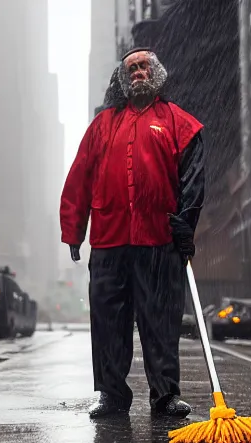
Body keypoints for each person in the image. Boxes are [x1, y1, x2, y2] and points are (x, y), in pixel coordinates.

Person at [60, 47, 205, 419]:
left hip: (159, 241)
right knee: (108, 321)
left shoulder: (178, 122)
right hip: (109, 242)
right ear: (123, 79)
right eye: (132, 69)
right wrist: (73, 230)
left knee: (161, 321)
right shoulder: (102, 126)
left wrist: (186, 223)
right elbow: (78, 180)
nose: (138, 72)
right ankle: (111, 394)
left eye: (144, 67)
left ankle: (165, 395)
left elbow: (193, 178)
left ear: (156, 73)